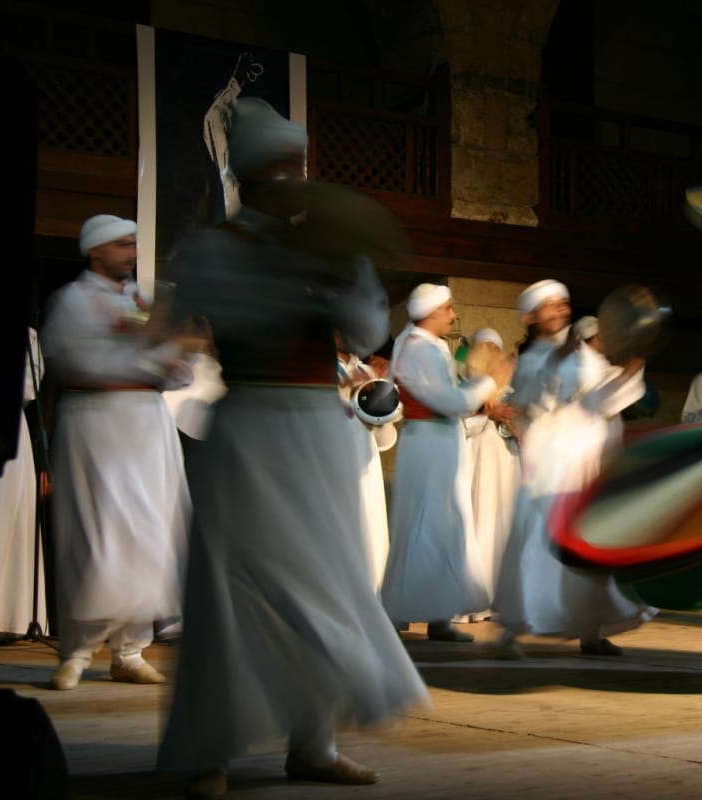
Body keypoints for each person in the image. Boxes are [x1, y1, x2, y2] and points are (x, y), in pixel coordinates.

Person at [156, 97, 428, 799]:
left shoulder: (327, 246)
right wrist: (301, 268)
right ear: (247, 175)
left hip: (315, 427)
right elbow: (225, 317)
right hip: (249, 424)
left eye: (296, 166)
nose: (291, 179)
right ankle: (205, 753)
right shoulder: (215, 248)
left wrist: (344, 268)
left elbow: (366, 332)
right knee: (231, 588)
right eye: (278, 167)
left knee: (326, 579)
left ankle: (314, 743)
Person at [40, 215, 195, 691]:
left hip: (147, 424)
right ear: (95, 252)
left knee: (147, 531)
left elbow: (180, 370)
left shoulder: (144, 302)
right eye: (123, 245)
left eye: (134, 244)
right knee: (96, 530)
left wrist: (169, 350)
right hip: (95, 423)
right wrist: (145, 351)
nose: (131, 253)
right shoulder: (72, 301)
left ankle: (130, 652)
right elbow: (77, 361)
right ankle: (79, 651)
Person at [494, 280, 656, 657]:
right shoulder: (531, 358)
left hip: (585, 456)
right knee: (539, 536)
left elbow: (604, 399)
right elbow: (531, 400)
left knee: (588, 541)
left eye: (562, 304)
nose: (560, 311)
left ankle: (591, 630)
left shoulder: (584, 354)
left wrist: (631, 369)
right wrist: (556, 361)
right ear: (532, 316)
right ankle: (515, 627)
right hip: (550, 458)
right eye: (550, 306)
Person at [381, 284, 513, 641]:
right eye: (449, 309)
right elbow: (450, 401)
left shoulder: (434, 348)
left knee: (445, 530)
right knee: (426, 528)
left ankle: (440, 618)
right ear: (432, 312)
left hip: (441, 445)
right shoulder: (417, 350)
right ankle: (401, 612)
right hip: (427, 447)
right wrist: (490, 382)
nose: (454, 316)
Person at [459, 328, 520, 623]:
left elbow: (517, 425)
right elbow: (462, 424)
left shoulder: (509, 390)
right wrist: (487, 414)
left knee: (501, 523)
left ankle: (499, 597)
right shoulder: (466, 387)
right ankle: (475, 598)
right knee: (481, 519)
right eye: (486, 349)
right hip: (479, 460)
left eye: (496, 349)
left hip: (505, 460)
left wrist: (511, 421)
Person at [0, 328, 47, 636]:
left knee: (5, 518)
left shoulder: (25, 333)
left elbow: (29, 386)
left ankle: (5, 618)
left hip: (5, 426)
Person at [337, 342, 396, 591]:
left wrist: (383, 393)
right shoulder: (313, 368)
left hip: (365, 462)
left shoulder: (368, 370)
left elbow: (385, 436)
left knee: (368, 530)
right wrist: (348, 389)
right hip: (335, 462)